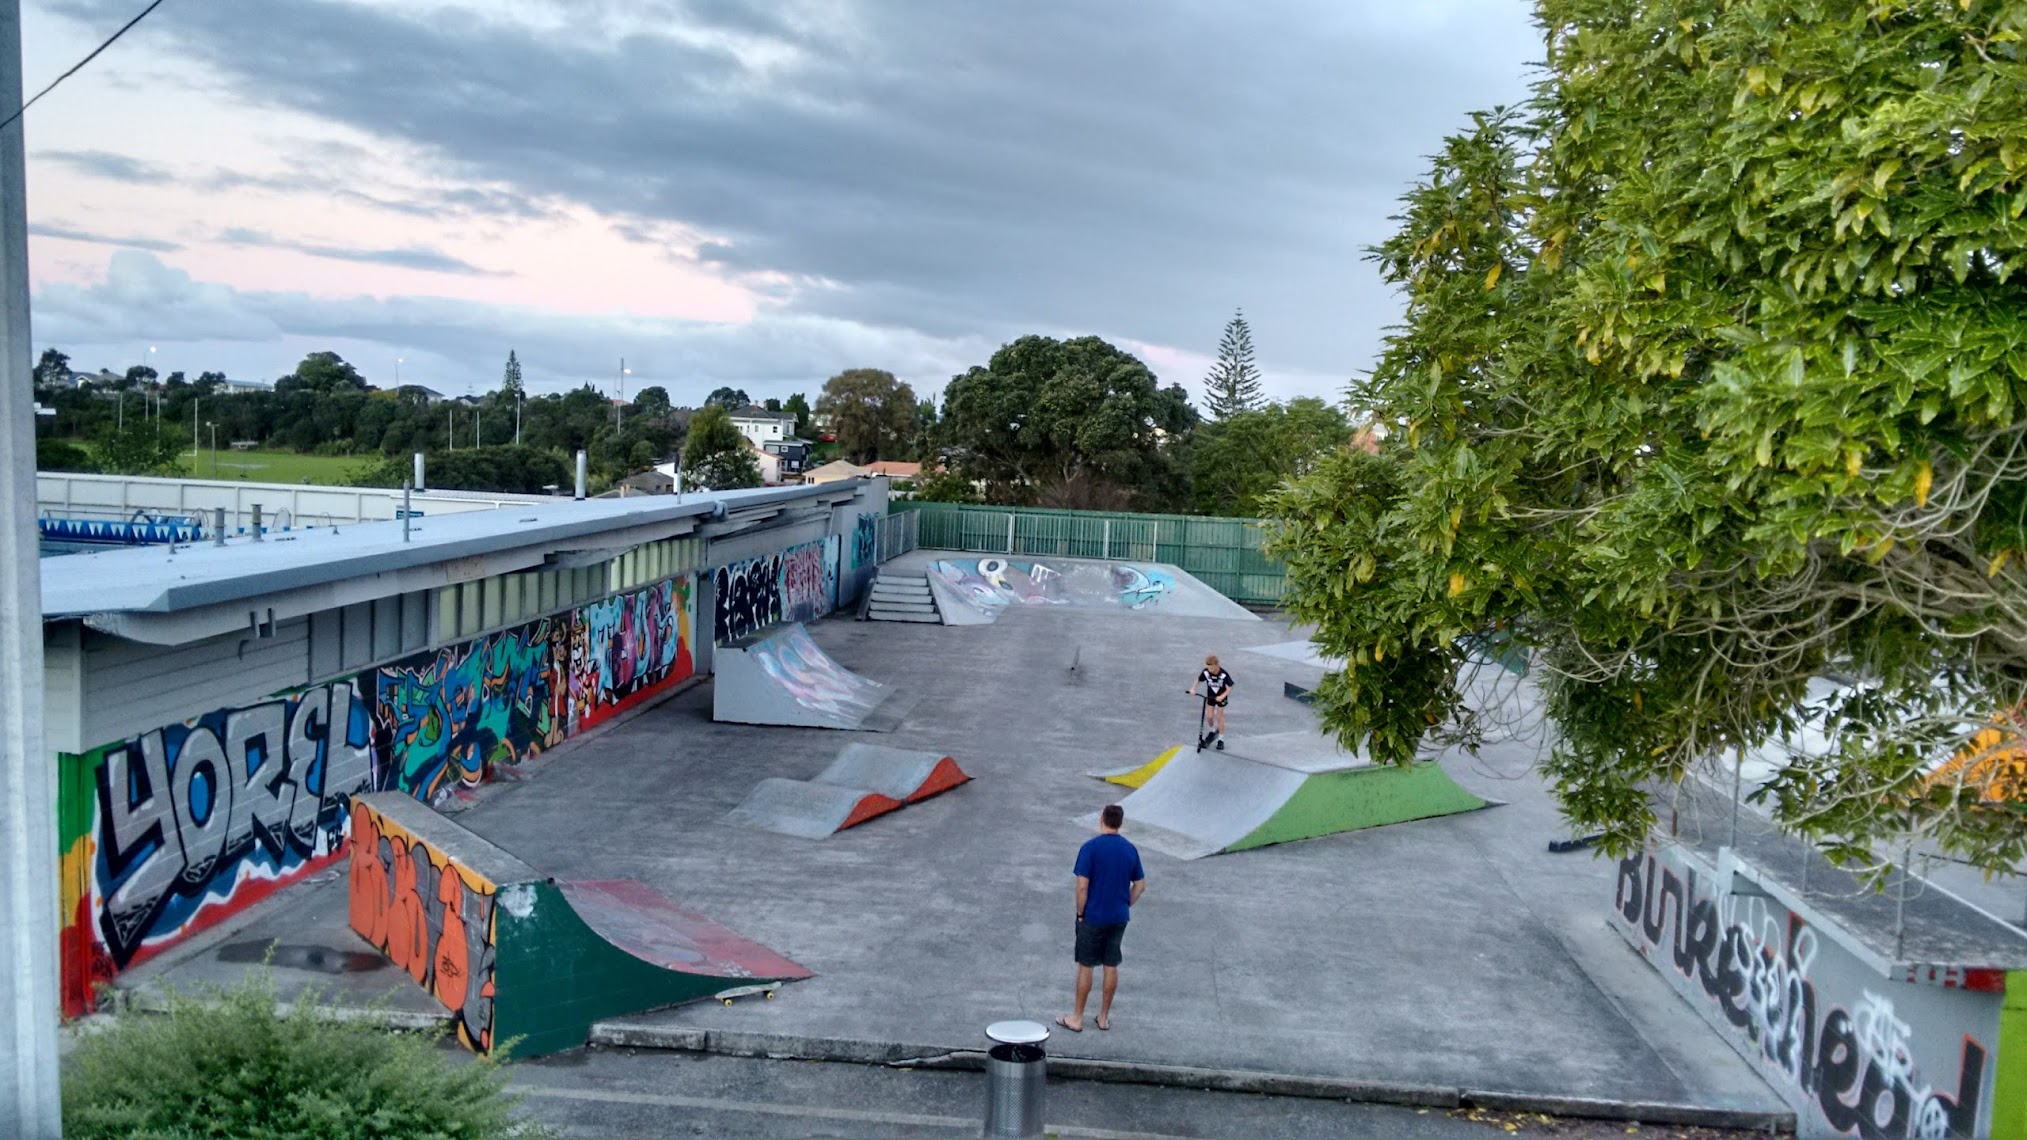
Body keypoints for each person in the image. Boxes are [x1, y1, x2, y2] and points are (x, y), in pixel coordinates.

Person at [1057, 804, 1144, 1033]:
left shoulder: (1090, 848)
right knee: (1111, 964)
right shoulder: (1130, 850)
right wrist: (1125, 903)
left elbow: (1082, 887)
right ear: (1121, 823)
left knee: (1086, 965)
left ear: (1101, 820)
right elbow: (1140, 885)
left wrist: (1080, 913)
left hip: (1094, 916)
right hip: (1118, 917)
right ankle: (1103, 1017)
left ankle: (1077, 1018)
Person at [1188, 654, 1235, 749]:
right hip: (1210, 696)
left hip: (1221, 697)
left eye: (1212, 669)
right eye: (1208, 668)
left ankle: (1221, 739)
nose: (1210, 671)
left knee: (1219, 716)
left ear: (1217, 665)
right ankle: (1212, 731)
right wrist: (1193, 688)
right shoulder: (1206, 672)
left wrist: (1222, 696)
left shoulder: (1223, 674)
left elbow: (1230, 687)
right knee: (1209, 717)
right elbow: (1198, 679)